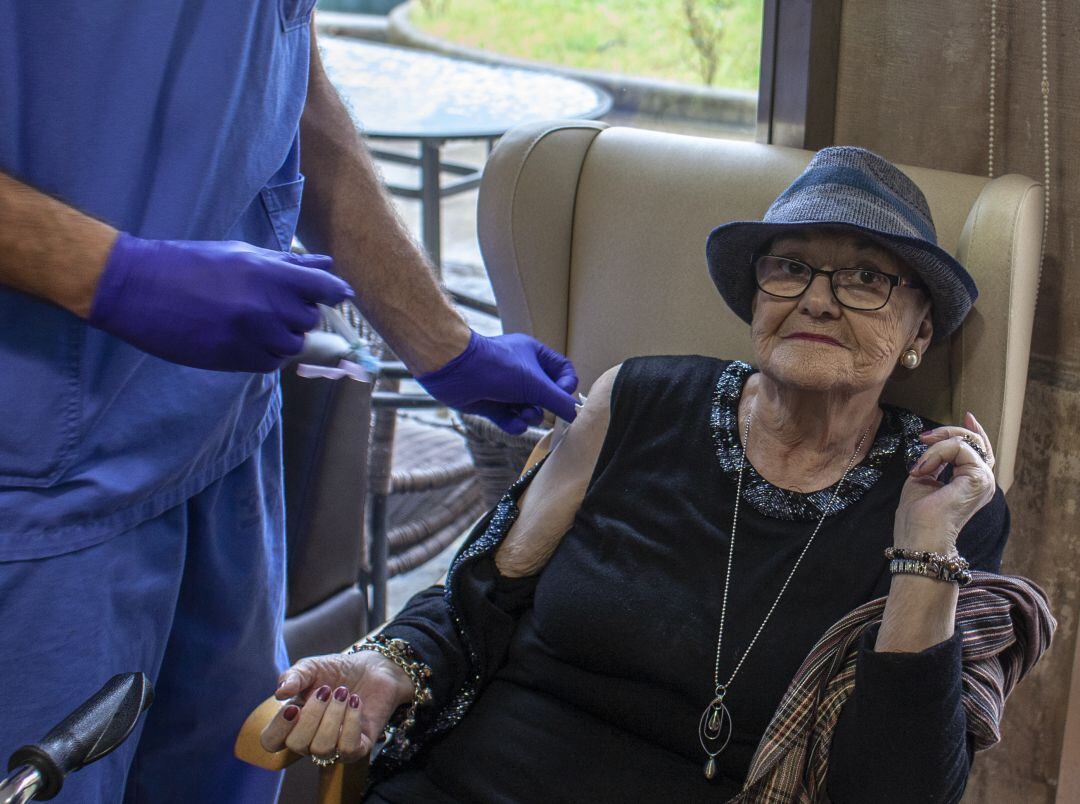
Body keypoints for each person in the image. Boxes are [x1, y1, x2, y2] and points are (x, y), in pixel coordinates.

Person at [262, 147, 1055, 802]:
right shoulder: (635, 400)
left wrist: (924, 550)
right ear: (755, 299)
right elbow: (476, 603)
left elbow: (899, 792)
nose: (817, 300)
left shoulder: (942, 497)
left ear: (920, 330)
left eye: (865, 279)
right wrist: (384, 663)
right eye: (790, 268)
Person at [0, 6, 578, 803]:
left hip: (221, 448)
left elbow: (282, 74)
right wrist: (111, 274)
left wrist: (440, 340)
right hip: (40, 487)